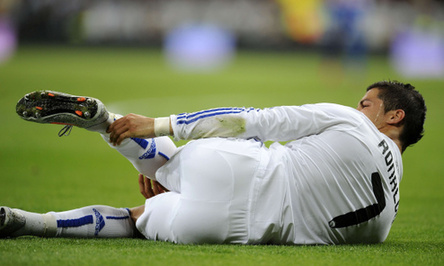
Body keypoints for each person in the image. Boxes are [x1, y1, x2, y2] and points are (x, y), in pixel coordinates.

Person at [1, 81, 426, 244]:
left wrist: (160, 123)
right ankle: (26, 221)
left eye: (367, 102)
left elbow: (253, 121)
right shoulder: (386, 220)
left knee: (166, 164)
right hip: (220, 229)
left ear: (394, 116)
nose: (358, 105)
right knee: (136, 220)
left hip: (233, 167)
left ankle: (105, 122)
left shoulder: (352, 122)